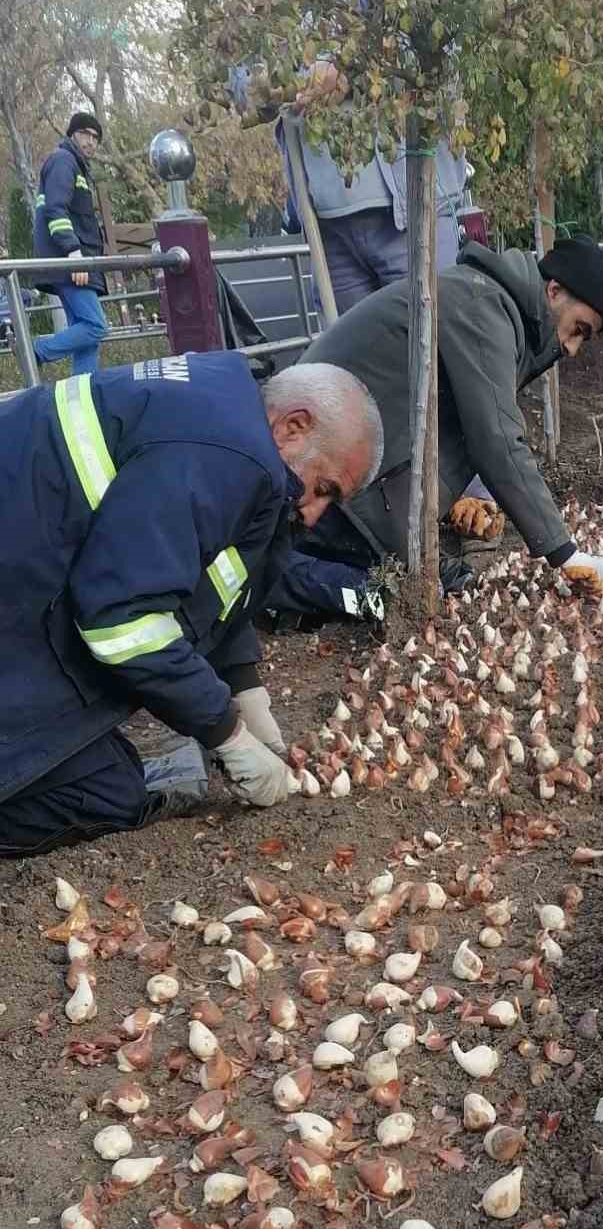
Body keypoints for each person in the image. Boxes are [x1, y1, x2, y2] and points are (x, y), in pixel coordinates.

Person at [0, 353, 383, 856]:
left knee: (108, 778)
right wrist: (225, 732)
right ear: (294, 425)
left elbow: (209, 574)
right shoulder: (234, 457)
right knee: (106, 793)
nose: (313, 515)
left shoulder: (224, 405)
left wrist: (243, 684)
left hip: (22, 578)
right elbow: (122, 618)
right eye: (324, 489)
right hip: (18, 607)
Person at [262, 233, 603, 624]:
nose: (572, 348)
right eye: (579, 329)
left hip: (346, 480)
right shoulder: (484, 309)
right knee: (391, 598)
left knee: (433, 586)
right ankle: (290, 585)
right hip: (325, 484)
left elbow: (464, 426)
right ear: (553, 291)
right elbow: (496, 439)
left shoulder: (487, 301)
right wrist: (563, 551)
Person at [275, 63, 468, 315]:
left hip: (417, 201)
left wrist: (346, 67)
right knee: (351, 350)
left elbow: (440, 57)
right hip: (327, 217)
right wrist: (290, 83)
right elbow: (245, 84)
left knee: (437, 338)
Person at [31, 113, 110, 374]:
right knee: (95, 326)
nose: (91, 142)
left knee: (86, 342)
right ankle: (34, 351)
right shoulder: (64, 161)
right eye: (86, 134)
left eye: (96, 137)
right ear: (72, 134)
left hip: (74, 260)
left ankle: (81, 404)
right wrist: (73, 252)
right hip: (71, 260)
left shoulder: (74, 165)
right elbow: (56, 210)